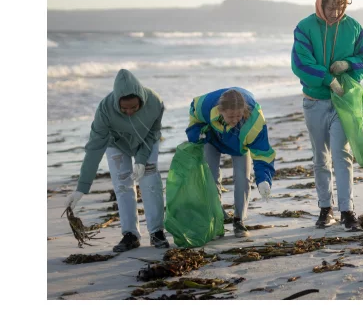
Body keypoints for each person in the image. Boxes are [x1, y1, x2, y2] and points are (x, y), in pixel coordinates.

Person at [291, 0, 363, 230]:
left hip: (343, 103)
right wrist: (328, 79)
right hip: (314, 102)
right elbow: (300, 62)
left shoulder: (353, 27)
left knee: (342, 154)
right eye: (330, 7)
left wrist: (348, 65)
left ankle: (347, 210)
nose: (335, 13)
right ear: (321, 4)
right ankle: (325, 209)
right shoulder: (305, 27)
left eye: (340, 7)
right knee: (321, 157)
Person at [65, 69, 169, 252]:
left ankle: (157, 232)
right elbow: (95, 148)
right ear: (116, 102)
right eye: (124, 108)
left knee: (150, 181)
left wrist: (142, 160)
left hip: (146, 142)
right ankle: (130, 235)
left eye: (134, 108)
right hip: (117, 144)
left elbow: (154, 133)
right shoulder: (105, 109)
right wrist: (82, 187)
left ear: (141, 101)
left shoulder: (155, 102)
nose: (129, 112)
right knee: (122, 184)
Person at [185, 87, 276, 238]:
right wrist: (197, 135)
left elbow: (262, 152)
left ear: (244, 110)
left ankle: (239, 220)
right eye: (230, 116)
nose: (235, 120)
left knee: (243, 178)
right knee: (210, 177)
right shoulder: (205, 106)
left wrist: (264, 179)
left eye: (238, 116)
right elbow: (194, 118)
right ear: (220, 111)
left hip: (239, 142)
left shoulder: (255, 120)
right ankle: (217, 217)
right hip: (212, 138)